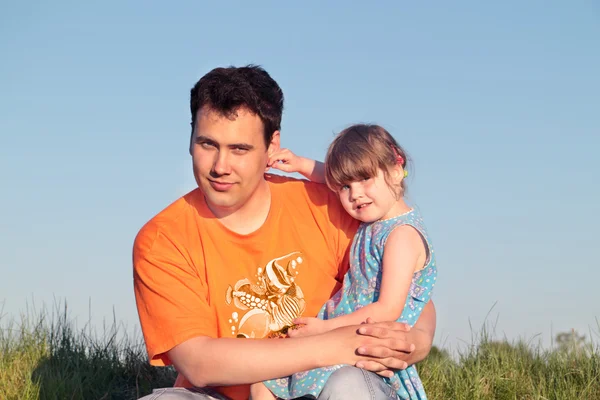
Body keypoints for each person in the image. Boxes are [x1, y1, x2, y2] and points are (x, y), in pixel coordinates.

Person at [133, 65, 437, 400]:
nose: (221, 166)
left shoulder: (329, 207)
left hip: (324, 387)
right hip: (223, 394)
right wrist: (335, 344)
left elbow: (409, 292)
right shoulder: (162, 239)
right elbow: (199, 363)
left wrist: (416, 341)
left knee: (350, 386)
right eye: (207, 144)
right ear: (190, 140)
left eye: (239, 149)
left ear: (271, 145)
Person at [252, 125, 437, 400]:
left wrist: (324, 329)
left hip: (364, 345)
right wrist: (301, 164)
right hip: (343, 335)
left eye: (365, 179)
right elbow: (332, 178)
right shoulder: (376, 219)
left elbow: (387, 309)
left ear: (396, 171)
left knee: (272, 382)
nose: (355, 194)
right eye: (345, 187)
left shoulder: (402, 236)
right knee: (263, 383)